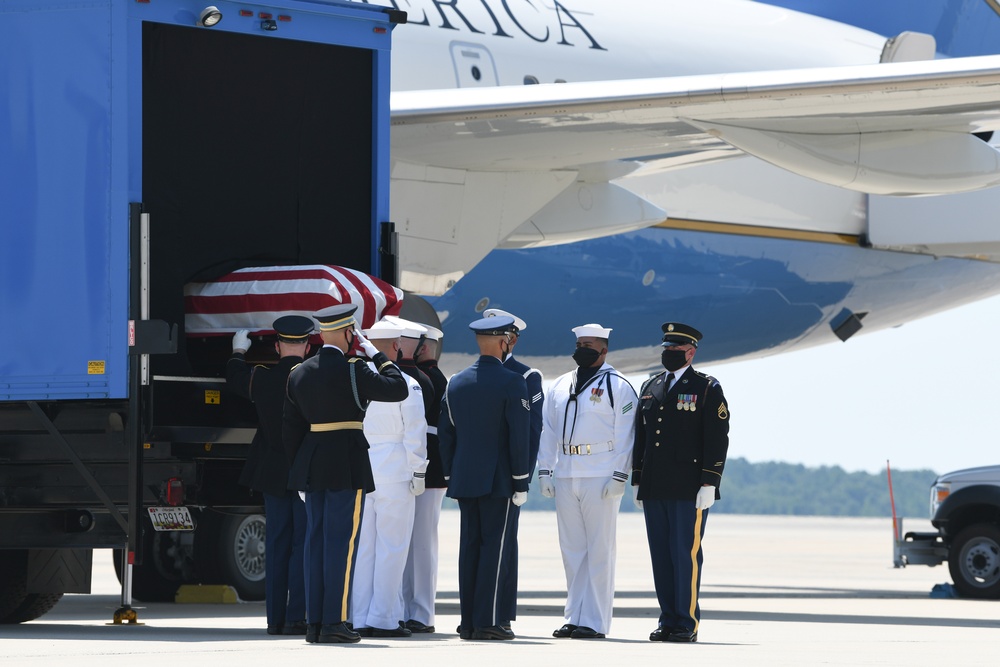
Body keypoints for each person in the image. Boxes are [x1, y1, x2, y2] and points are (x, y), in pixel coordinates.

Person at [283, 304, 408, 644]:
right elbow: (397, 387)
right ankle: (335, 622)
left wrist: (300, 473)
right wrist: (375, 354)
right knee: (342, 544)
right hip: (345, 463)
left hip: (311, 464)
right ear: (350, 333)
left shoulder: (299, 372)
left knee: (315, 543)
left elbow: (291, 429)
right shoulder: (355, 369)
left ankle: (315, 624)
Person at [536, 323, 637, 640]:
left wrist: (620, 475)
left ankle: (594, 620)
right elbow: (547, 429)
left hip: (601, 472)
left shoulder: (617, 385)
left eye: (589, 344)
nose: (582, 348)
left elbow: (627, 434)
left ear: (604, 349)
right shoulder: (560, 384)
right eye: (579, 343)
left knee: (600, 550)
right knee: (572, 550)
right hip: (567, 471)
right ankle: (574, 615)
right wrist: (544, 470)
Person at [632, 322, 730, 644]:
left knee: (684, 554)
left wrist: (710, 483)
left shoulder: (706, 387)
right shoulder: (651, 385)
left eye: (674, 351)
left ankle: (686, 622)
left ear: (691, 352)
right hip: (655, 485)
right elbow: (642, 438)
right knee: (660, 555)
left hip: (689, 488)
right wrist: (637, 479)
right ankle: (667, 619)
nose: (668, 355)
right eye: (666, 350)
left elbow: (717, 439)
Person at [438, 315, 531, 641]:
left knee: (470, 549)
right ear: (504, 341)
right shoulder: (512, 382)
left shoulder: (456, 382)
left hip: (465, 479)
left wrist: (452, 474)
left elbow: (446, 436)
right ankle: (488, 620)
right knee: (495, 548)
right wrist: (521, 481)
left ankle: (469, 622)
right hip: (499, 480)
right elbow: (519, 438)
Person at [226, 315, 313, 636]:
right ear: (307, 346)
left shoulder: (260, 377)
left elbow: (234, 377)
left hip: (272, 472)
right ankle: (295, 617)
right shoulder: (312, 377)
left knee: (276, 545)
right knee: (303, 544)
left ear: (276, 347)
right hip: (305, 471)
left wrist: (238, 350)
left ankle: (274, 619)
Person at [351, 319, 427, 638]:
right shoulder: (406, 384)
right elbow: (414, 432)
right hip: (395, 470)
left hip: (362, 466)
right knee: (392, 547)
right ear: (395, 346)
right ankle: (383, 618)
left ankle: (359, 616)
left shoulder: (356, 381)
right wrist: (418, 469)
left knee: (365, 547)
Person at [483, 308, 543, 629]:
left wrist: (524, 478)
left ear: (512, 340)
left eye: (499, 334)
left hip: (508, 475)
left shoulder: (527, 376)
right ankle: (478, 614)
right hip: (480, 475)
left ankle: (501, 614)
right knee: (477, 546)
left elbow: (532, 431)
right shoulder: (474, 372)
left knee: (504, 545)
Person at [403, 322, 448, 633]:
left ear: (424, 347)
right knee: (409, 543)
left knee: (422, 544)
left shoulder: (432, 378)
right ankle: (408, 607)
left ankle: (422, 612)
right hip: (422, 465)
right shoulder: (425, 377)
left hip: (430, 469)